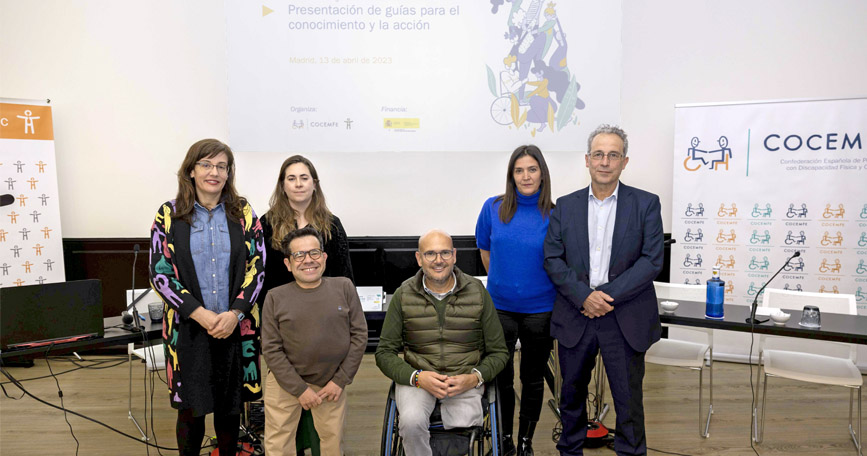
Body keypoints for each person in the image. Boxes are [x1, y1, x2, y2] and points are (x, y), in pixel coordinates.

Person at [544, 125, 664, 456]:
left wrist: (603, 297)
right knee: (570, 398)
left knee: (628, 402)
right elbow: (552, 259)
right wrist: (584, 296)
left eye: (613, 155)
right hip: (576, 314)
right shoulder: (565, 207)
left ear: (624, 162)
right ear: (587, 160)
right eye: (598, 154)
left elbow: (651, 261)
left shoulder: (646, 204)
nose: (605, 162)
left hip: (623, 317)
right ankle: (570, 451)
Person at [148, 138, 265, 456]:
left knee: (230, 411)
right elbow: (161, 275)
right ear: (191, 170)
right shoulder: (169, 214)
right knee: (191, 411)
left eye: (221, 166)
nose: (214, 172)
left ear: (229, 173)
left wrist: (234, 314)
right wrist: (199, 313)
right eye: (206, 164)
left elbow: (258, 269)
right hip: (188, 329)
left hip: (234, 328)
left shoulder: (242, 212)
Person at [375, 230, 509, 456]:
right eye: (430, 254)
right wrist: (417, 377)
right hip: (419, 377)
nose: (439, 260)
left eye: (445, 253)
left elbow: (499, 352)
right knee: (410, 422)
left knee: (464, 423)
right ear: (419, 259)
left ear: (455, 255)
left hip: (463, 378)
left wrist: (474, 378)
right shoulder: (403, 294)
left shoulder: (477, 292)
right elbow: (384, 353)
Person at [475, 145, 556, 456]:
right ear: (511, 175)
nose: (526, 176)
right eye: (519, 170)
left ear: (542, 173)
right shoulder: (492, 207)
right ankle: (504, 439)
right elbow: (485, 253)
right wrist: (505, 283)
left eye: (532, 169)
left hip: (541, 310)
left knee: (533, 379)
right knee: (502, 377)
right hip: (500, 309)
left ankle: (525, 442)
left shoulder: (556, 213)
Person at [261, 226, 367, 456]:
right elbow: (270, 349)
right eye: (299, 255)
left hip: (331, 383)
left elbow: (359, 336)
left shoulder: (344, 287)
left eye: (314, 253)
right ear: (288, 264)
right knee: (278, 445)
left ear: (324, 257)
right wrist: (299, 389)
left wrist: (340, 380)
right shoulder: (274, 297)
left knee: (332, 441)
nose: (308, 260)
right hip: (285, 381)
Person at [259, 155, 353, 305]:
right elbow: (261, 275)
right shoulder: (267, 223)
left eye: (304, 178)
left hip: (324, 305)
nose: (298, 184)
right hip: (281, 308)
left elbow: (344, 274)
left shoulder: (332, 224)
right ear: (282, 185)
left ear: (314, 184)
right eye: (291, 179)